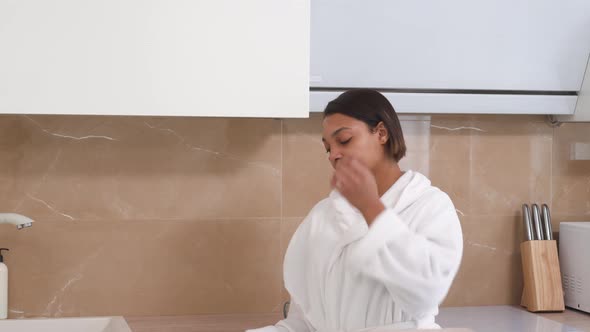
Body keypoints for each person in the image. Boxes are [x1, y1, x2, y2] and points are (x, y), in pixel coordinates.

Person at [248, 89, 463, 332]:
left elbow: (425, 293)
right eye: (327, 148)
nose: (334, 155)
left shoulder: (430, 206)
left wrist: (370, 206)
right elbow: (303, 323)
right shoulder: (324, 215)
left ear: (381, 133)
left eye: (344, 140)